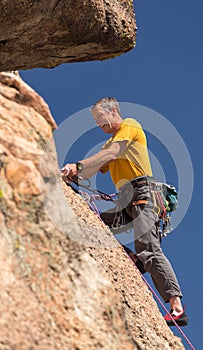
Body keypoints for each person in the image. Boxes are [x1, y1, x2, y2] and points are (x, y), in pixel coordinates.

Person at [62, 97, 188, 327]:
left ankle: (176, 305)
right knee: (95, 223)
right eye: (96, 121)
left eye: (101, 119)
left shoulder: (130, 126)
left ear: (113, 112)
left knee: (148, 248)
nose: (99, 125)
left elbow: (111, 154)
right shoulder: (107, 145)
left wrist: (77, 166)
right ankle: (133, 259)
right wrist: (74, 173)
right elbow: (94, 167)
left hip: (144, 194)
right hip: (127, 200)